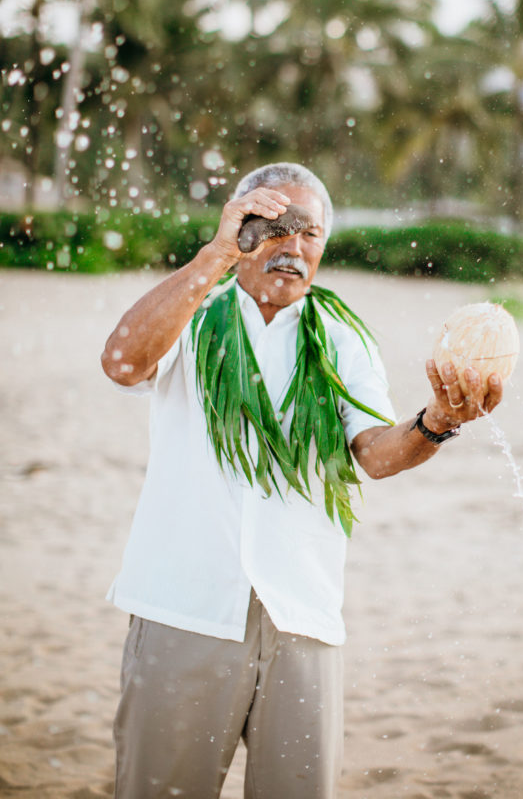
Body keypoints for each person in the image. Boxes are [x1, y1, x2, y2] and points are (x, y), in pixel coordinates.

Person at [101, 161, 502, 799]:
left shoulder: (342, 335)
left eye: (308, 232)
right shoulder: (194, 313)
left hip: (302, 615)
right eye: (273, 224)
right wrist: (215, 256)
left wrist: (437, 422)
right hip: (185, 604)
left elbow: (373, 453)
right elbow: (123, 362)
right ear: (239, 224)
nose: (291, 245)